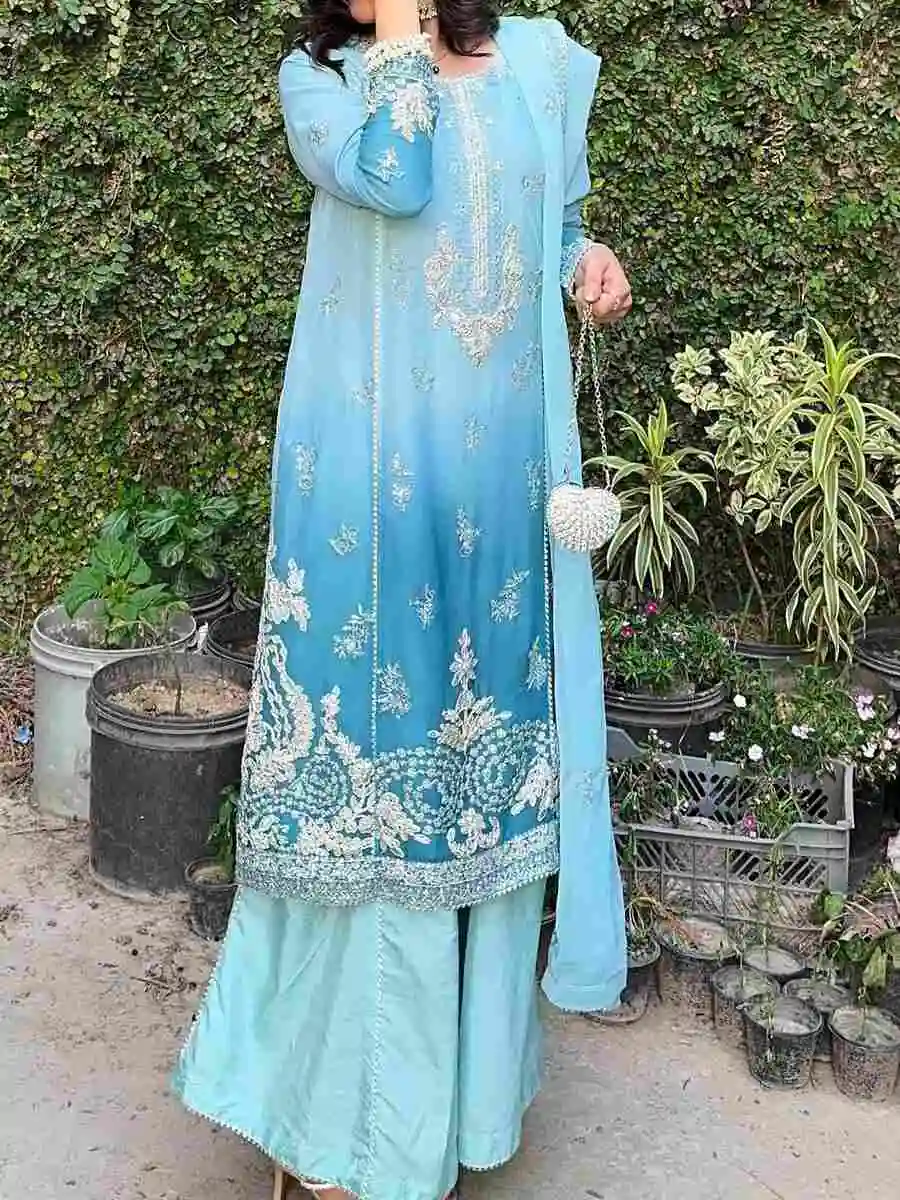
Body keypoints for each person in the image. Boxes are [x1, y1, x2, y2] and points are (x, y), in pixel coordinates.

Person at [174, 0, 630, 1196]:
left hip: (503, 499)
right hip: (365, 500)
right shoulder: (322, 80)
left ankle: (459, 1118)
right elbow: (394, 176)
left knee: (482, 785)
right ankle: (337, 1135)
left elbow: (556, 221)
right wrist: (390, 36)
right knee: (371, 788)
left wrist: (588, 263)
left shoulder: (538, 57)